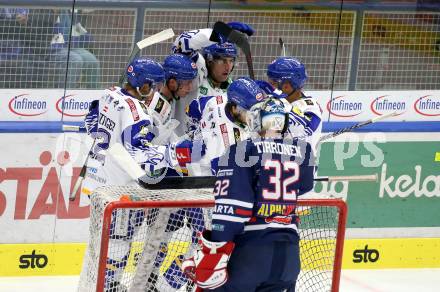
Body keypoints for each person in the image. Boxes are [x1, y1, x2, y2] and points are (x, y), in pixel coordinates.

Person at [182, 78, 316, 291]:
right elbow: (306, 186)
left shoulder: (242, 151)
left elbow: (233, 211)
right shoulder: (305, 151)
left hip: (252, 252)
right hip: (290, 255)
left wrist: (214, 251)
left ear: (257, 120)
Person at [80, 57, 196, 292]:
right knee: (119, 243)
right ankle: (111, 287)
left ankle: (104, 285)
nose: (153, 91)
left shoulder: (109, 93)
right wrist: (176, 154)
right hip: (118, 189)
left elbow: (90, 121)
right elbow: (141, 155)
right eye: (152, 86)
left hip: (95, 181)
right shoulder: (136, 112)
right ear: (144, 86)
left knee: (104, 244)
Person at [266, 57, 322, 153]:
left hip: (300, 165)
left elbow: (303, 130)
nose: (269, 86)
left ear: (287, 86)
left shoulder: (311, 107)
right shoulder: (276, 100)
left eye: (273, 83)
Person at [144, 53, 198, 145]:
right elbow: (146, 143)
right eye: (188, 82)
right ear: (172, 83)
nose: (190, 87)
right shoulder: (156, 105)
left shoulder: (167, 99)